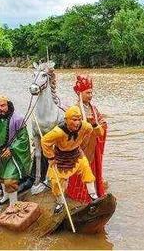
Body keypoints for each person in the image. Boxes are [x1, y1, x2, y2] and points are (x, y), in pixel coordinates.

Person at [41, 105, 100, 213]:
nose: (77, 123)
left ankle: (93, 196)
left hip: (77, 154)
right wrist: (51, 157)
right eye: (74, 120)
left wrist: (95, 123)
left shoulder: (85, 126)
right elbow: (45, 141)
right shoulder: (58, 132)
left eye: (79, 119)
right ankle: (60, 202)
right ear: (66, 120)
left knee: (87, 170)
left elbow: (98, 133)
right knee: (56, 182)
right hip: (61, 157)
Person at [67, 75, 108, 203]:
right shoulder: (75, 109)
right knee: (80, 171)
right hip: (80, 147)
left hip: (93, 146)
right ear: (80, 93)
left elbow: (102, 123)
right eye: (87, 92)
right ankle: (80, 195)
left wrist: (97, 125)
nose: (90, 95)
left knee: (93, 170)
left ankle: (94, 193)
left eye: (91, 92)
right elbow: (70, 127)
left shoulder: (93, 108)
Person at [0, 95, 31, 206]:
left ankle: (13, 205)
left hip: (12, 155)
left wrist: (12, 149)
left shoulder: (18, 119)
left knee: (10, 181)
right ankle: (5, 197)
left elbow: (23, 138)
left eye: (3, 105)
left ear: (8, 105)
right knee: (1, 178)